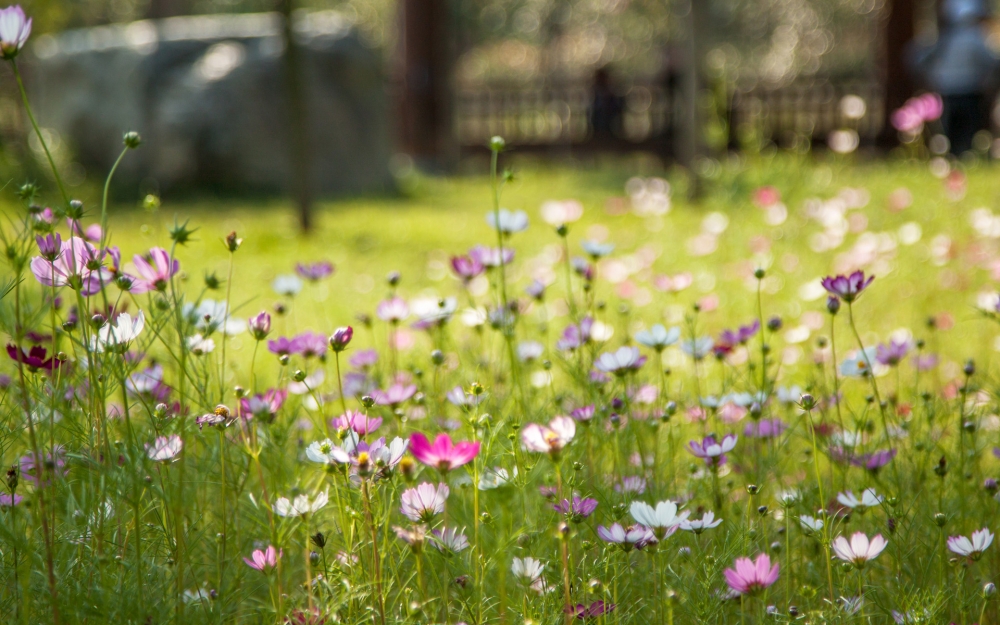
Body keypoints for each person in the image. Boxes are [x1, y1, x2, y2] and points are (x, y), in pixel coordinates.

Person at [910, 0, 1000, 154]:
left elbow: (916, 58)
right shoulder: (974, 38)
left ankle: (954, 159)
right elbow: (991, 61)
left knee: (950, 133)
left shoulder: (944, 38)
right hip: (971, 93)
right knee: (967, 133)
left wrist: (930, 77)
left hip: (947, 92)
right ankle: (964, 158)